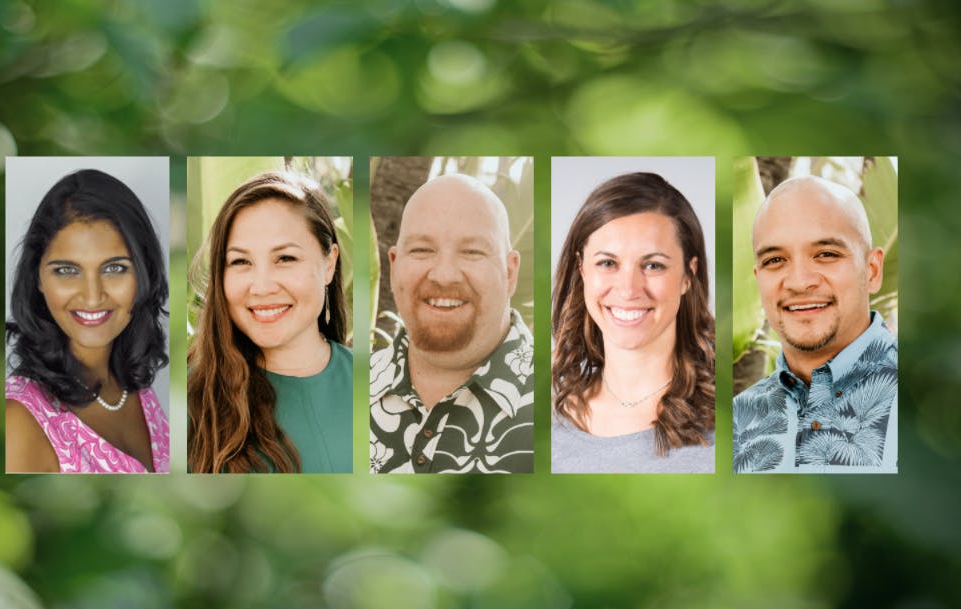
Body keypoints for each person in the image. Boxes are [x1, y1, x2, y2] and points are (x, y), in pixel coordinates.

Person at [5, 169, 170, 473]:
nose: (93, 297)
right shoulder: (18, 421)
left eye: (115, 269)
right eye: (67, 271)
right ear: (38, 278)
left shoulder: (136, 388)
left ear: (144, 273)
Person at [550, 172, 715, 473]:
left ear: (688, 276)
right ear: (582, 269)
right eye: (607, 263)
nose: (628, 289)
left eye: (653, 265)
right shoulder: (542, 420)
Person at [188, 171, 352, 474]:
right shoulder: (184, 401)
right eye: (240, 262)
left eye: (285, 258)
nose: (261, 287)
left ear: (329, 264)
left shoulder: (380, 388)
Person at [370, 173, 533, 474]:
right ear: (394, 267)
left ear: (510, 273)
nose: (444, 275)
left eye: (472, 252)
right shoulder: (343, 394)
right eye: (421, 250)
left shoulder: (570, 404)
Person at [733, 175, 897, 473]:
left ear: (872, 271)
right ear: (759, 280)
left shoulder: (930, 406)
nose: (799, 282)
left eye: (826, 254)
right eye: (775, 260)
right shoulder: (736, 422)